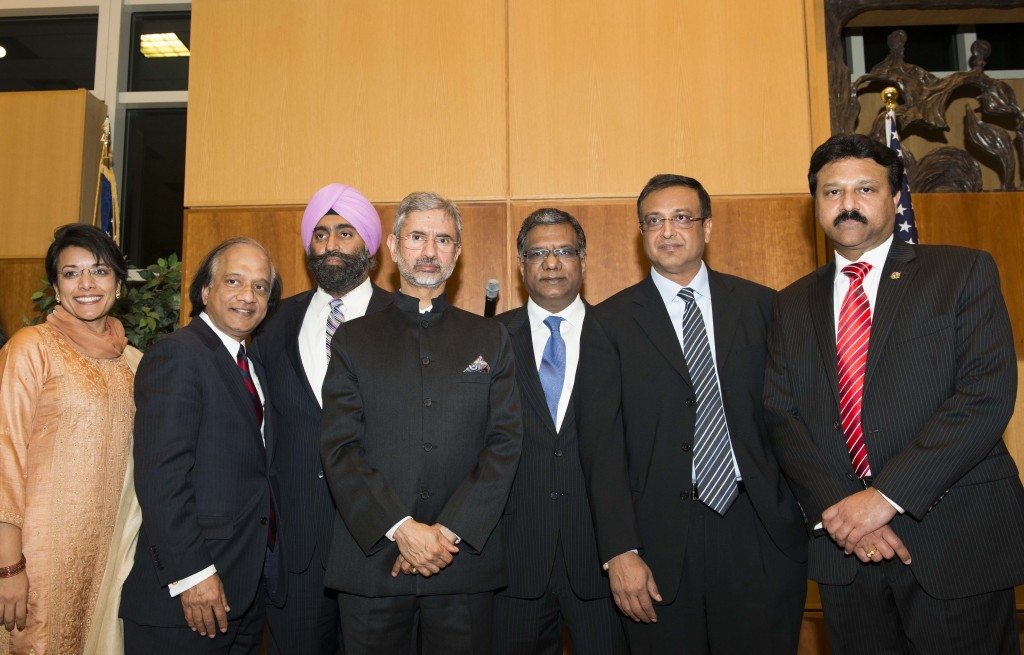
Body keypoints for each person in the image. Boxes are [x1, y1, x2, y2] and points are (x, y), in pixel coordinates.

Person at [764, 133, 1024, 655]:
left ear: (896, 197)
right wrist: (844, 514)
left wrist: (884, 498)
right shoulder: (790, 304)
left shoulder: (961, 272)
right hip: (846, 550)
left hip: (954, 539)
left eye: (865, 189)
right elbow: (781, 416)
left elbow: (984, 395)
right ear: (815, 203)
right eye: (832, 192)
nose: (847, 203)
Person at [577, 174, 807, 654]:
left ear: (707, 227)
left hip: (758, 528)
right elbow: (601, 449)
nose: (667, 231)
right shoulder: (607, 323)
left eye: (681, 218)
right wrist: (620, 550)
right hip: (658, 541)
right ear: (642, 233)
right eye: (653, 221)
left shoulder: (764, 306)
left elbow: (794, 418)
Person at [319, 191, 522, 654]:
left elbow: (505, 443)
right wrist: (402, 529)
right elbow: (340, 447)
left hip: (462, 564)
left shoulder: (490, 337)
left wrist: (446, 533)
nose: (430, 251)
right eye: (417, 237)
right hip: (373, 561)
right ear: (393, 247)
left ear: (457, 251)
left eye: (443, 240)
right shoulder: (353, 338)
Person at [120, 237, 283, 654]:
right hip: (187, 600)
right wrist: (192, 574)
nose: (248, 296)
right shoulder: (177, 355)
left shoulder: (252, 365)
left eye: (260, 286)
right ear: (206, 291)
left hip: (243, 592)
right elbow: (161, 478)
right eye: (234, 281)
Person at [254, 183, 393, 654]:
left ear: (369, 245)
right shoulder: (271, 323)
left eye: (345, 233)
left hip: (382, 544)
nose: (331, 244)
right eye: (320, 234)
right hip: (297, 545)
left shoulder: (404, 320)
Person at [0, 224, 141, 654]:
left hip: (109, 555)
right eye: (71, 273)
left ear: (118, 283)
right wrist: (8, 566)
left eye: (99, 271)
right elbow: (5, 452)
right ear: (56, 288)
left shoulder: (133, 362)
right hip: (37, 557)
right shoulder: (32, 348)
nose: (86, 284)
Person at [493, 208, 626, 655]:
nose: (551, 263)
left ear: (583, 261)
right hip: (514, 561)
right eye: (538, 253)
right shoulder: (489, 338)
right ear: (521, 265)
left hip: (603, 559)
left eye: (564, 251)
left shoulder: (620, 335)